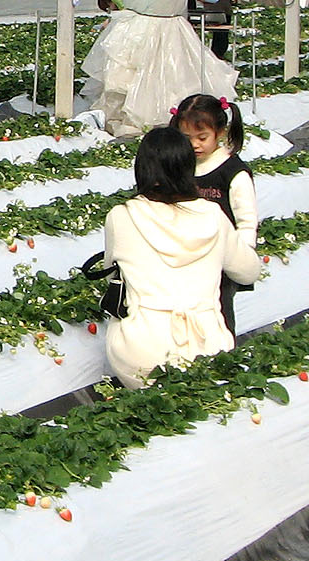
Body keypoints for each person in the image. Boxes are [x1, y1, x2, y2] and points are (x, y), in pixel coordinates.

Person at [102, 127, 261, 389]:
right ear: (189, 167)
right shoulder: (213, 215)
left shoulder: (122, 216)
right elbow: (248, 272)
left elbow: (111, 273)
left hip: (141, 356)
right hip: (208, 351)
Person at [80, 0, 237, 137]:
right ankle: (130, 119)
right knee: (129, 75)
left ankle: (167, 116)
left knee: (171, 72)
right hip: (138, 25)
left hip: (169, 23)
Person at [171, 94, 256, 333]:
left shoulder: (233, 172)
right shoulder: (180, 166)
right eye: (187, 138)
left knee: (219, 313)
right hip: (185, 254)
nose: (195, 144)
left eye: (202, 137)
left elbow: (246, 219)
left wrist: (243, 255)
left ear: (220, 132)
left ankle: (222, 358)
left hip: (221, 261)